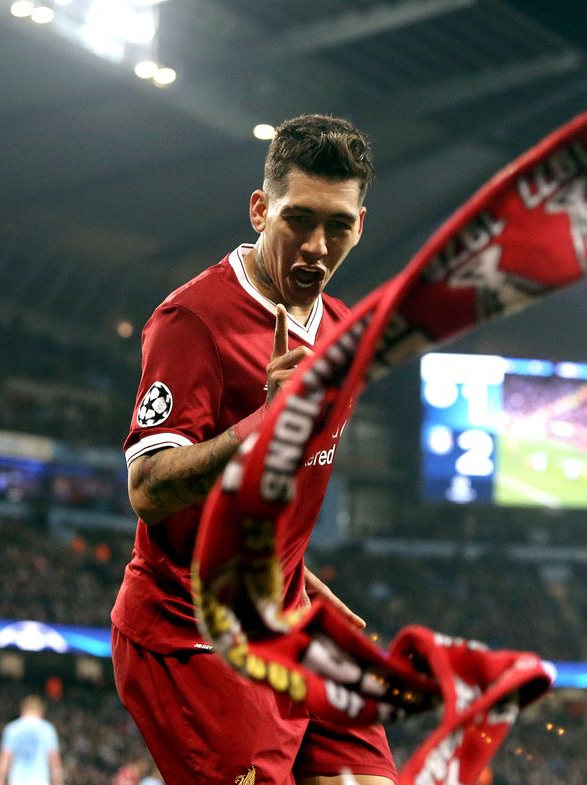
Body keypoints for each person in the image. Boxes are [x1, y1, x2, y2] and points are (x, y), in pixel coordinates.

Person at [112, 114, 395, 785]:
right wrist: (255, 429)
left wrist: (296, 568)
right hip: (193, 632)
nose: (317, 246)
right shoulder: (195, 319)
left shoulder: (345, 331)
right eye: (299, 219)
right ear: (261, 208)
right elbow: (148, 490)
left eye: (339, 225)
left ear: (361, 222)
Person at [0, 696, 63, 785]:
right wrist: (58, 782)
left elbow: (4, 759)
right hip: (40, 779)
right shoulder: (47, 729)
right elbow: (54, 760)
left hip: (17, 780)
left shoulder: (12, 728)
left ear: (22, 710)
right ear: (40, 711)